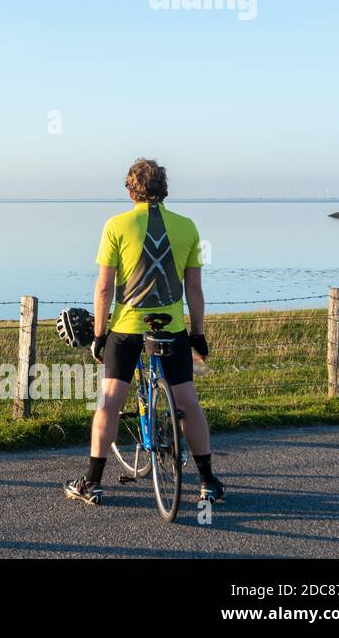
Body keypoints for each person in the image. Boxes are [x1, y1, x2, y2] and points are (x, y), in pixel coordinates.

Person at [65, 158, 224, 507]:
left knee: (109, 402)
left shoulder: (116, 226)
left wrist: (99, 334)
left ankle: (91, 483)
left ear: (129, 190)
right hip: (172, 329)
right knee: (187, 401)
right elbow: (194, 290)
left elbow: (104, 288)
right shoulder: (187, 227)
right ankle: (208, 480)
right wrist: (197, 334)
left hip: (127, 328)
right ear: (164, 189)